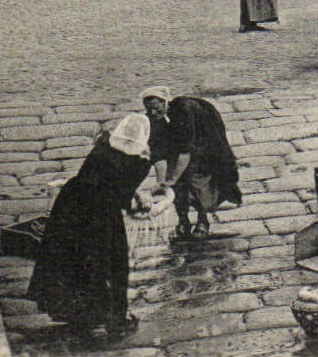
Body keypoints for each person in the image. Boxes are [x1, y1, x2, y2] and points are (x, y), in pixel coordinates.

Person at [28, 113, 154, 340]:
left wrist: (133, 193)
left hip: (71, 204)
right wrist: (141, 201)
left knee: (72, 259)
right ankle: (116, 321)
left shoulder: (103, 146)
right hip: (100, 214)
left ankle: (79, 313)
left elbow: (106, 178)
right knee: (113, 264)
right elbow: (121, 196)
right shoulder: (138, 162)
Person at [141, 88, 241, 241]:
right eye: (149, 109)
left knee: (196, 179)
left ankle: (202, 221)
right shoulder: (151, 120)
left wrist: (173, 178)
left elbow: (185, 151)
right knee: (174, 185)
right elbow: (158, 153)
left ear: (165, 101)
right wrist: (163, 182)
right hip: (177, 144)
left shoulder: (183, 111)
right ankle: (183, 221)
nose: (153, 112)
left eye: (156, 107)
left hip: (203, 139)